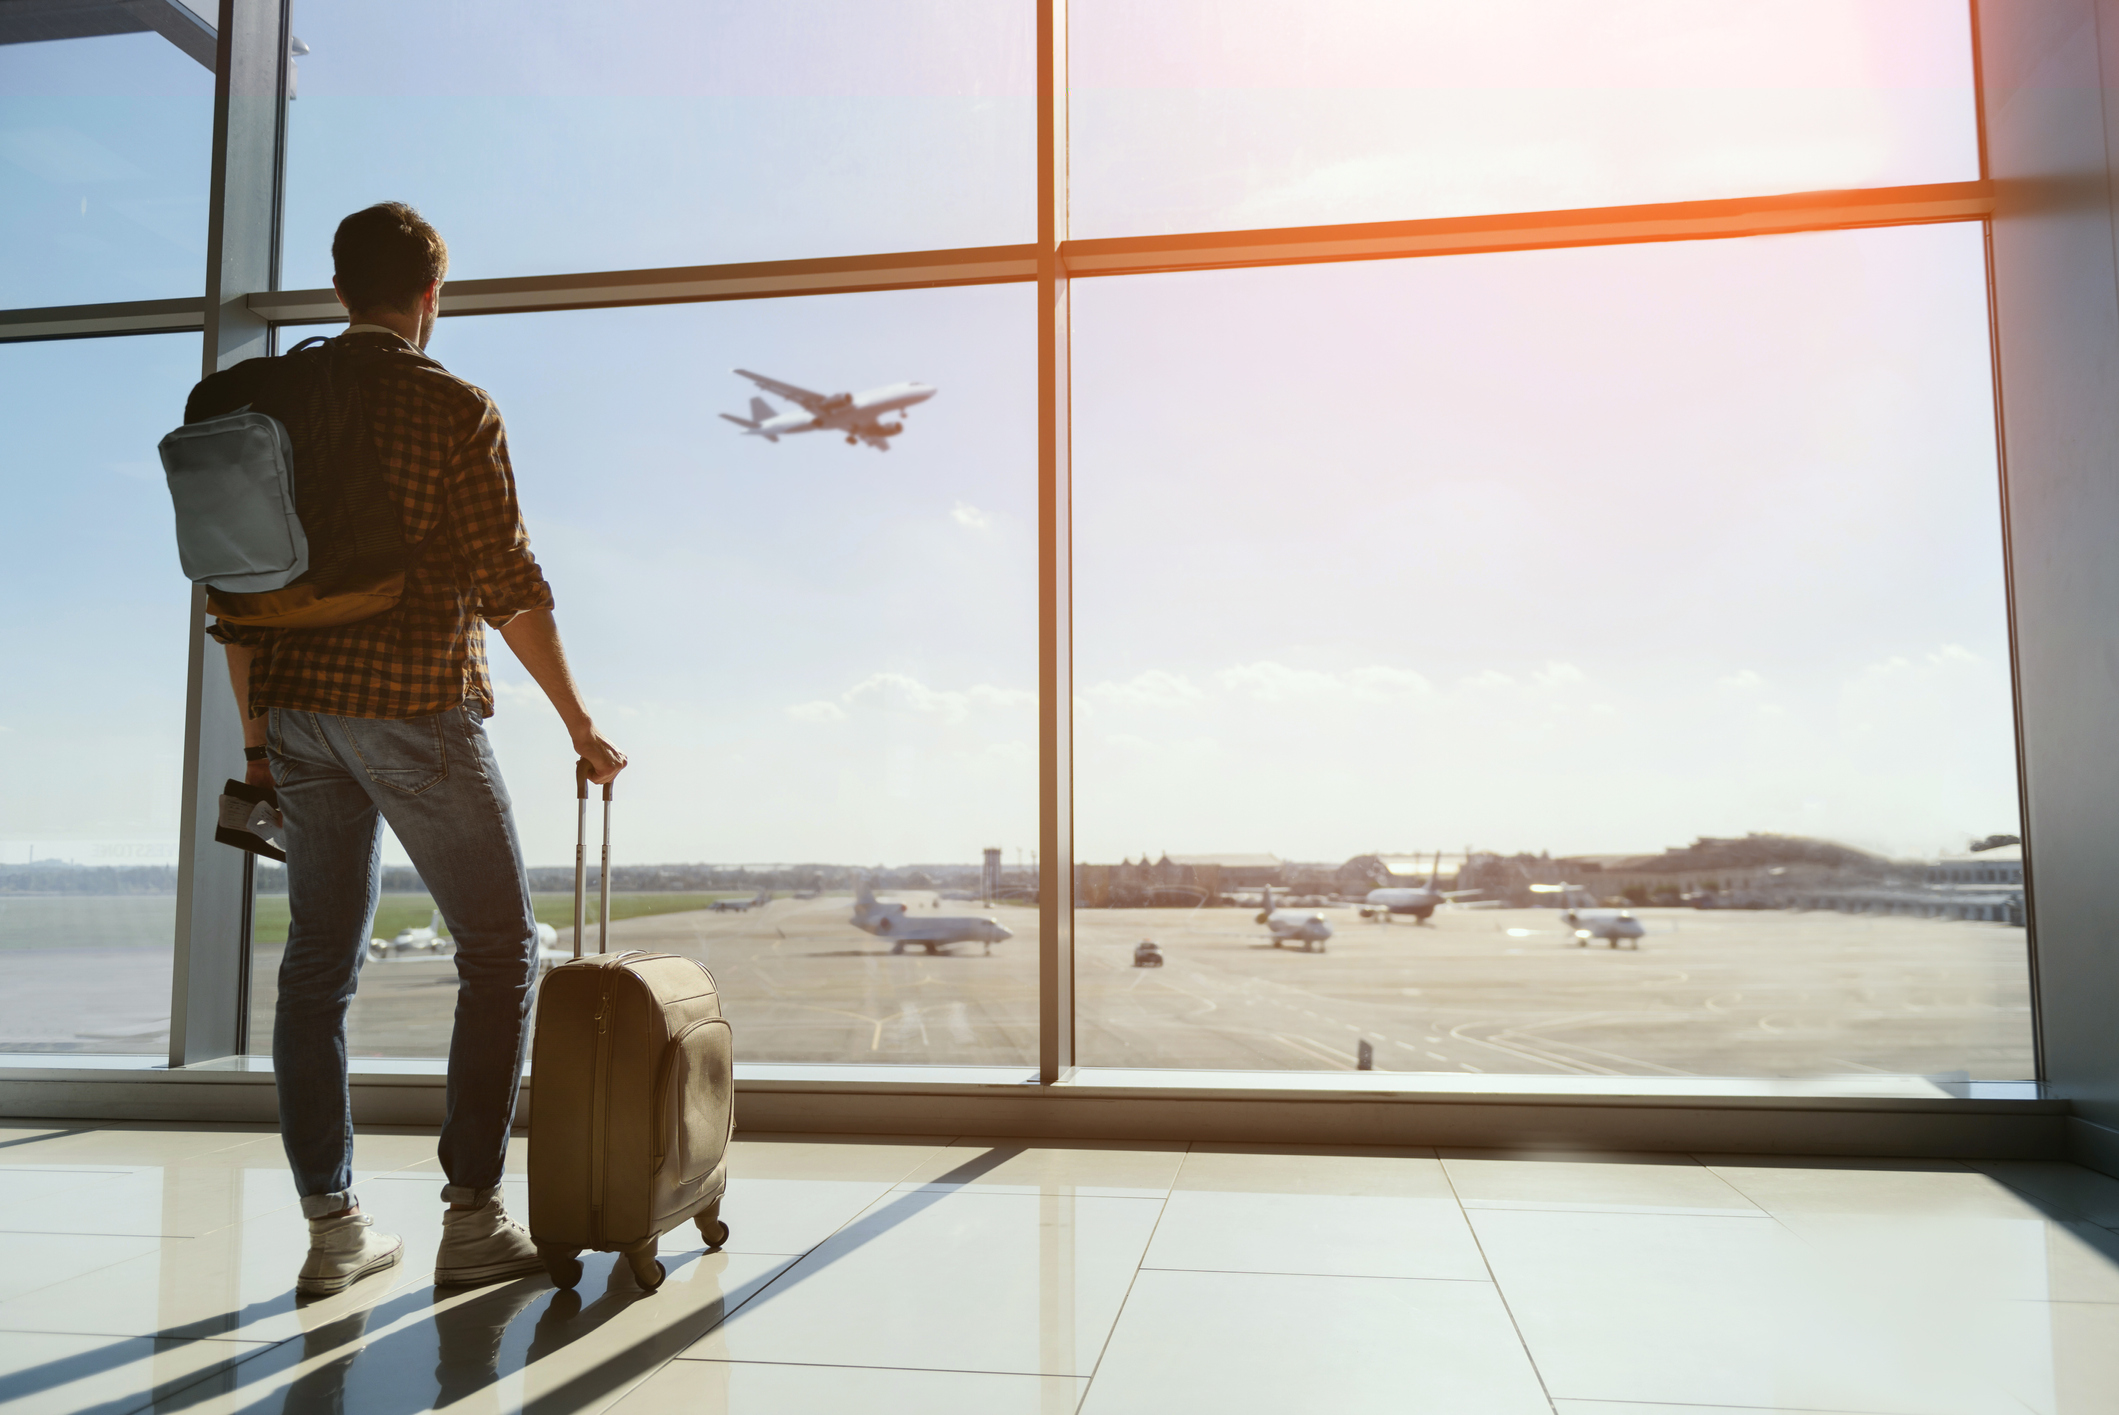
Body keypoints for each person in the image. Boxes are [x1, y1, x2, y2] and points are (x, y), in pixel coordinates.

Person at [210, 202, 625, 1296]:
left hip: (296, 714)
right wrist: (579, 722)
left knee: (318, 967)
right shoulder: (451, 406)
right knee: (499, 950)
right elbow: (509, 583)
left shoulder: (268, 403)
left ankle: (332, 1225)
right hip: (411, 704)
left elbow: (234, 599)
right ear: (431, 295)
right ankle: (473, 1213)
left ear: (340, 287)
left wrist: (258, 744)